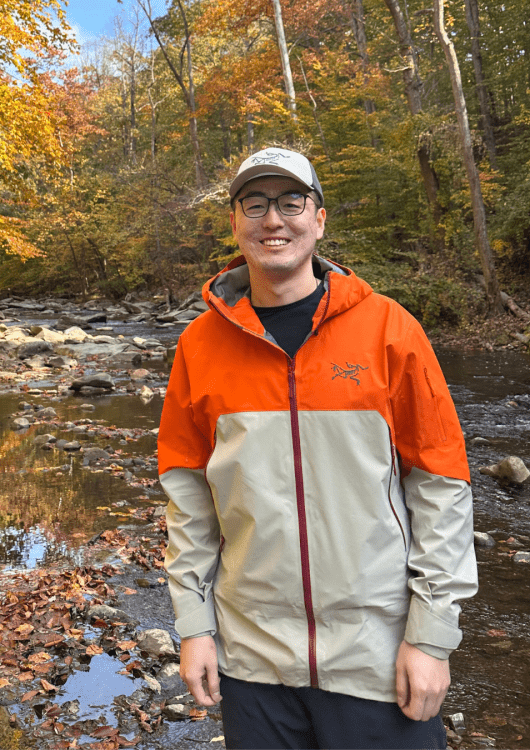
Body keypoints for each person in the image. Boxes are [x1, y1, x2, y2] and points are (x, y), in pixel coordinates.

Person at [157, 147, 478, 750]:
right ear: (235, 222)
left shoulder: (390, 330)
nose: (272, 220)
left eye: (290, 202)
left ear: (320, 218)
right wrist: (194, 626)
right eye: (254, 204)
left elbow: (440, 484)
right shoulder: (200, 346)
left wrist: (431, 637)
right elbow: (188, 498)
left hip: (378, 660)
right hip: (253, 665)